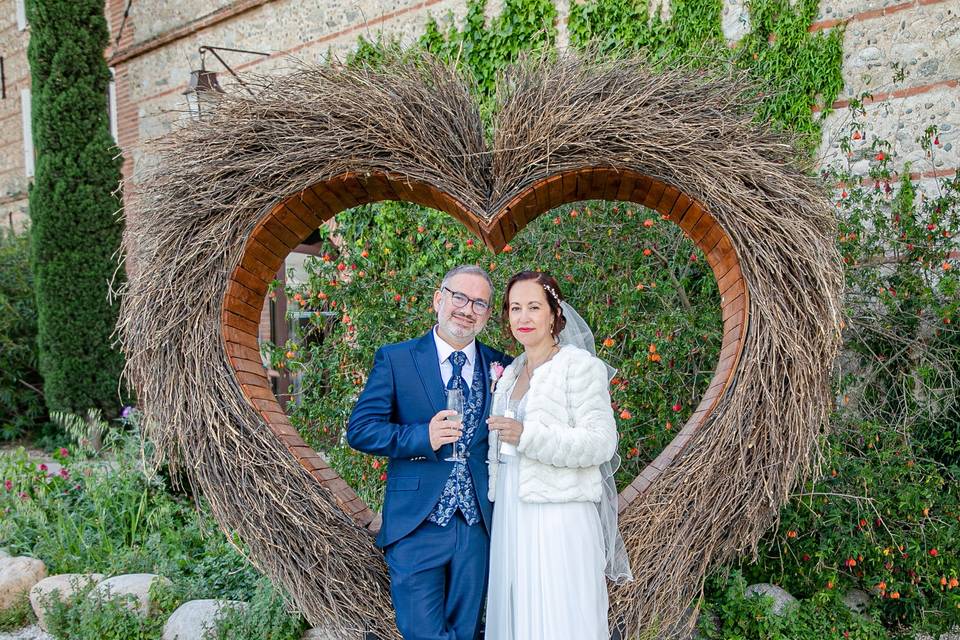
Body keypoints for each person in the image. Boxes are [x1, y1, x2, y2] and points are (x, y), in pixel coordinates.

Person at [347, 264, 512, 640]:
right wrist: (423, 437)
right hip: (416, 526)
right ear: (439, 299)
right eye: (459, 297)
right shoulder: (397, 359)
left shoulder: (501, 365)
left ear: (486, 315)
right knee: (421, 630)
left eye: (480, 304)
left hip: (478, 528)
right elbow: (360, 431)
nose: (467, 309)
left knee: (466, 631)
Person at [485, 270, 633, 640]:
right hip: (513, 508)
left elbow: (601, 443)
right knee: (522, 615)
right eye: (515, 308)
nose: (523, 317)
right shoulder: (510, 374)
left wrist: (528, 436)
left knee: (561, 616)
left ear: (554, 313)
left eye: (534, 307)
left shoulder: (578, 366)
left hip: (560, 513)